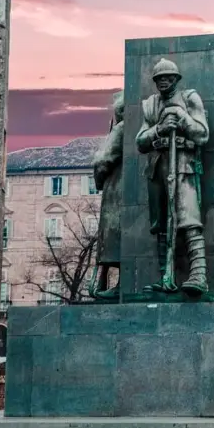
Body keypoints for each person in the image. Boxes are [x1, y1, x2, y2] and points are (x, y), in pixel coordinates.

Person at [135, 58, 209, 296]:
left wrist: (181, 116)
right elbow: (140, 141)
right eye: (159, 78)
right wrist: (160, 129)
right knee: (161, 225)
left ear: (176, 79)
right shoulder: (150, 105)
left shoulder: (189, 99)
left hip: (184, 167)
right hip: (158, 169)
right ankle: (165, 275)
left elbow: (202, 134)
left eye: (168, 77)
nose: (163, 81)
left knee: (189, 220)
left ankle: (199, 274)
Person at [89, 91, 124, 299]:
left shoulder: (120, 129)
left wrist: (99, 181)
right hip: (120, 187)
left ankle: (116, 285)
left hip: (115, 189)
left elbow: (102, 161)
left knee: (113, 239)